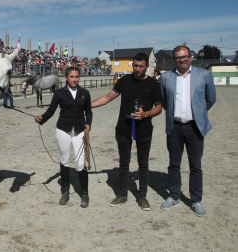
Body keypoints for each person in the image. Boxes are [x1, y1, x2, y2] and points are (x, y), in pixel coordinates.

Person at [91, 53, 162, 211]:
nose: (137, 69)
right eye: (135, 66)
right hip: (124, 129)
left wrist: (145, 114)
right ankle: (122, 194)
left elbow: (159, 108)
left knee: (143, 164)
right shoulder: (124, 81)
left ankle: (142, 196)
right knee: (124, 163)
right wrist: (87, 105)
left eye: (141, 66)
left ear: (147, 67)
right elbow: (107, 98)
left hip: (144, 129)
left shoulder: (153, 84)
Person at [159, 46, 216, 217]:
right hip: (175, 127)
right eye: (178, 58)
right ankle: (174, 196)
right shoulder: (166, 77)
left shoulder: (204, 75)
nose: (182, 60)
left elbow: (210, 99)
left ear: (190, 57)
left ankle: (196, 200)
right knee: (174, 164)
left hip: (195, 127)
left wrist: (198, 113)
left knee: (195, 166)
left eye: (184, 57)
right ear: (174, 60)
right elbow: (164, 100)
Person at [34, 67, 92, 208]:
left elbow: (88, 112)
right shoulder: (60, 93)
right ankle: (65, 192)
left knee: (80, 163)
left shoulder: (85, 93)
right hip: (63, 130)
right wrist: (42, 119)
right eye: (71, 76)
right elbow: (51, 110)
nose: (74, 79)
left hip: (79, 131)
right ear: (66, 77)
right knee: (65, 160)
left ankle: (85, 193)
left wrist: (88, 124)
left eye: (77, 76)